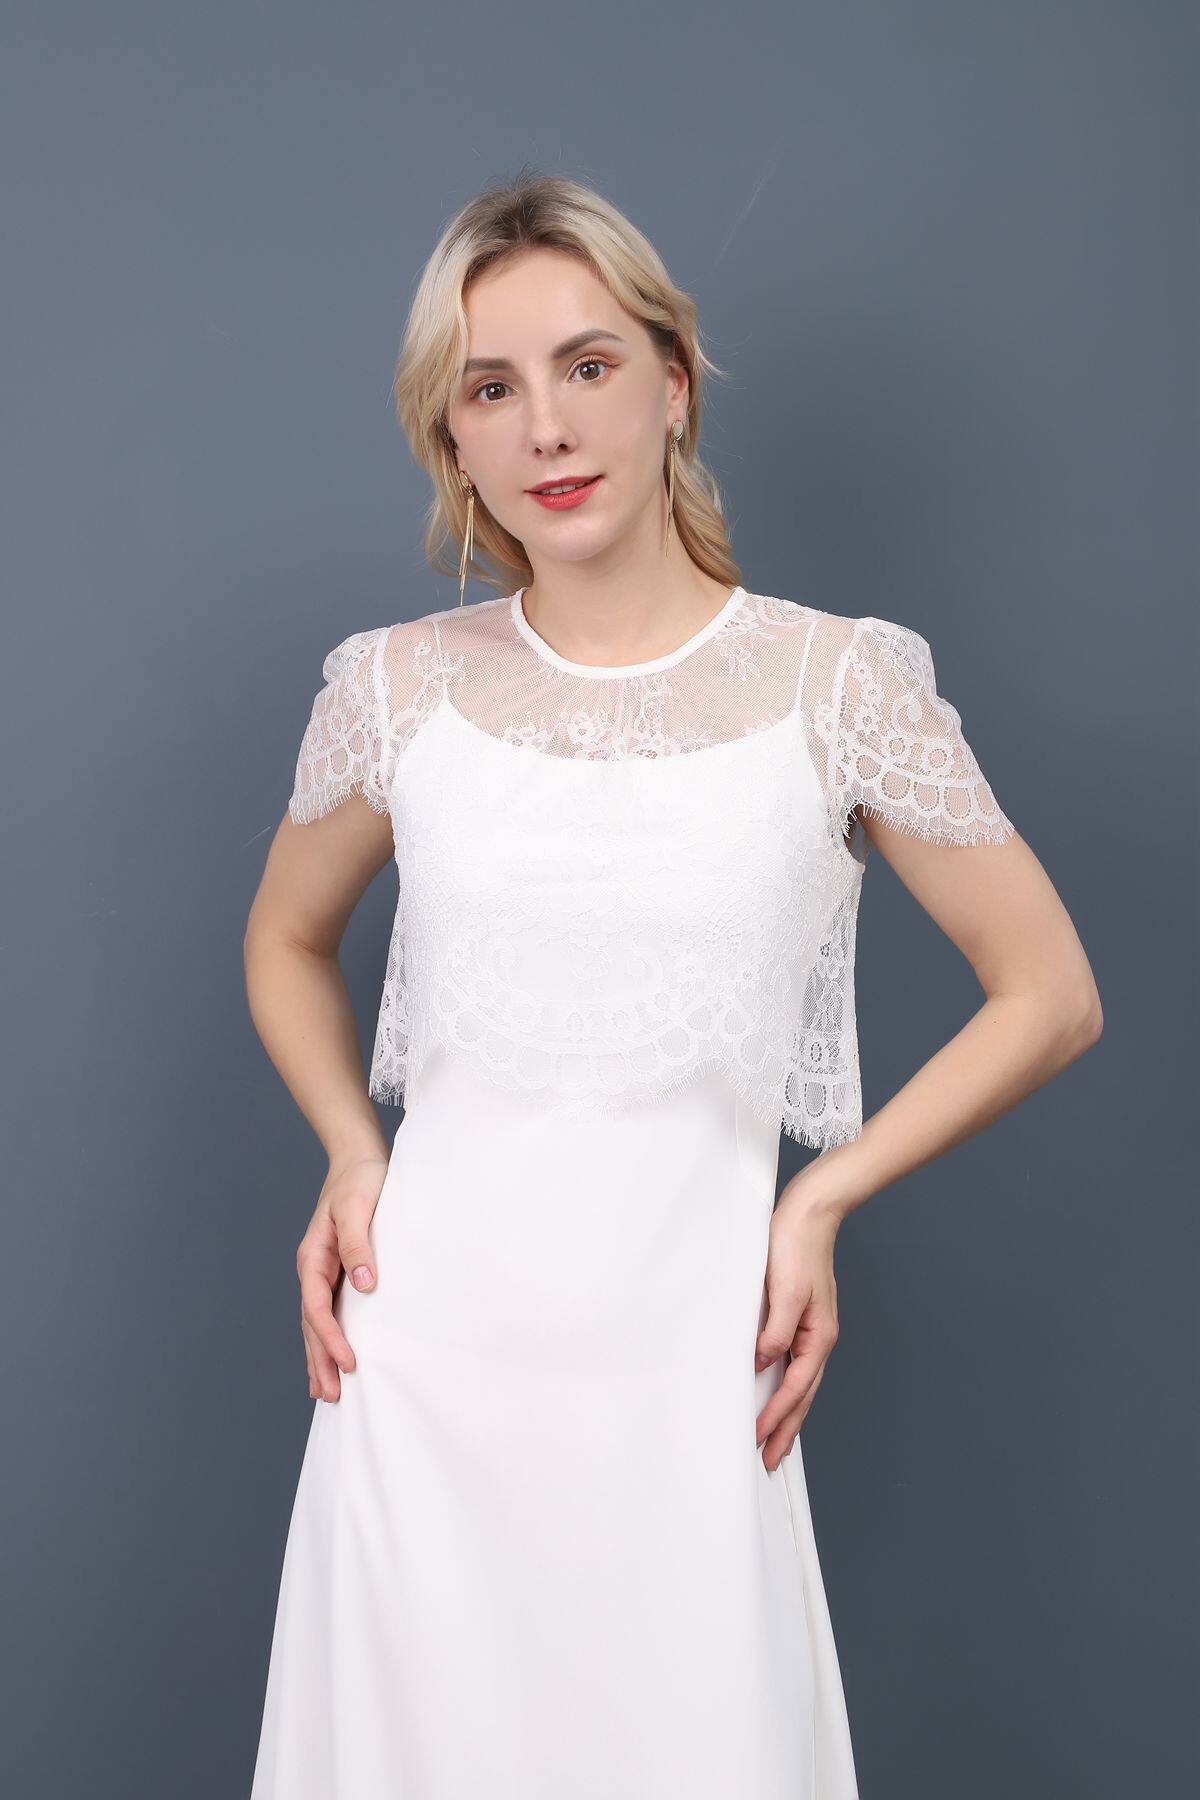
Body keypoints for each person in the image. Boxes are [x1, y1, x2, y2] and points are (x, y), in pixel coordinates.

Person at [243, 171, 1102, 1800]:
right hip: (418, 1384)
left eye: (589, 365)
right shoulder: (394, 689)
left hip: (686, 1378)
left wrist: (820, 1199)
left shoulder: (839, 685)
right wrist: (354, 1147)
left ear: (674, 383)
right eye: (491, 390)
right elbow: (282, 939)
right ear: (453, 440)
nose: (549, 428)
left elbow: (1050, 990)